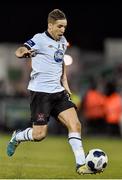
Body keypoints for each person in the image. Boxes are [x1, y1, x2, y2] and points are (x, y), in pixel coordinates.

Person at [7, 9, 101, 175]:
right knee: (39, 135)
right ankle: (17, 136)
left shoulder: (63, 41)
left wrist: (65, 84)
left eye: (64, 27)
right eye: (59, 26)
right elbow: (20, 49)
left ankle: (81, 165)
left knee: (76, 124)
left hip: (58, 92)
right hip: (40, 94)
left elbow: (61, 63)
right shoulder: (39, 39)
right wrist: (24, 53)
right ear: (50, 26)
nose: (63, 30)